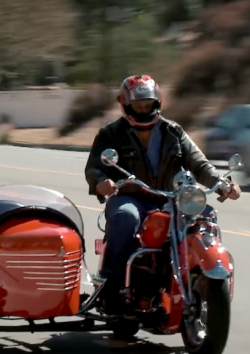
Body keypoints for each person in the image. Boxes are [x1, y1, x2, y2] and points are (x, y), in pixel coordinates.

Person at [84, 75, 242, 308]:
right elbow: (95, 167)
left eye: (147, 104)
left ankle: (203, 272)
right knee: (126, 217)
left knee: (206, 216)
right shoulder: (111, 133)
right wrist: (101, 182)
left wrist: (222, 184)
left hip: (171, 198)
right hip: (132, 197)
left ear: (157, 102)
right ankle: (112, 284)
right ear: (126, 105)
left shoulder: (173, 131)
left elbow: (199, 163)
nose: (143, 109)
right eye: (138, 105)